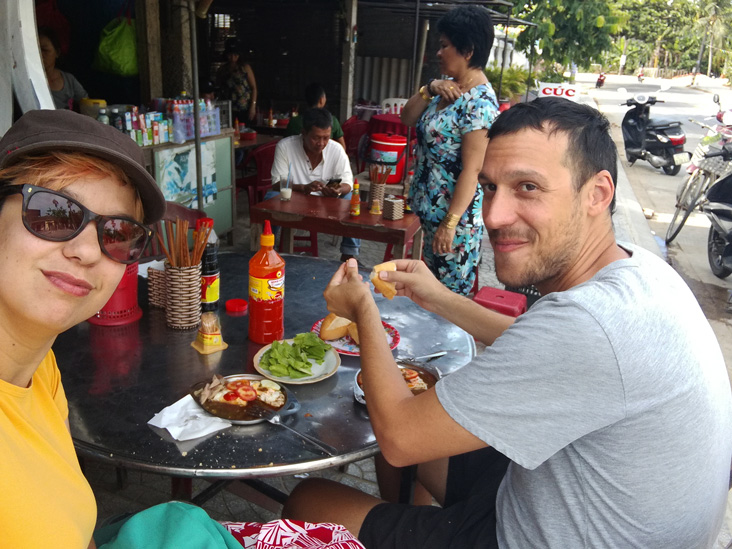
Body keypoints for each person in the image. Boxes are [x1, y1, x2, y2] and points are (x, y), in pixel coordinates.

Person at [281, 97, 732, 548]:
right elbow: (532, 341)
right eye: (490, 187)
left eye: (528, 187)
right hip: (565, 499)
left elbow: (400, 436)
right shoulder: (642, 272)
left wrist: (362, 309)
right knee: (408, 437)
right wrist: (438, 297)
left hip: (531, 536)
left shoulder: (588, 323)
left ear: (597, 193)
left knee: (310, 501)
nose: (493, 216)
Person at [400, 5, 499, 295]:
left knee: (447, 303)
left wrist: (450, 224)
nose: (439, 53)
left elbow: (473, 169)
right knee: (426, 296)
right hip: (429, 215)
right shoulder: (446, 90)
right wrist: (429, 88)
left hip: (454, 225)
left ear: (467, 50)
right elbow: (406, 118)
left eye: (444, 45)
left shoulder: (479, 104)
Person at [271, 107, 360, 262]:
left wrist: (338, 190)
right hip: (295, 198)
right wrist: (303, 188)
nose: (321, 143)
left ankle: (349, 254)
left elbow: (348, 183)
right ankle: (267, 249)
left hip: (327, 201)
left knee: (351, 198)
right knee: (272, 198)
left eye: (326, 137)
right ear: (303, 133)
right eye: (316, 138)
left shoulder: (336, 149)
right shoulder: (285, 146)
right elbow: (276, 184)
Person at [38, 27, 88, 110]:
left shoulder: (69, 80)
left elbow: (87, 104)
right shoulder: (30, 80)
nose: (40, 54)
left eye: (44, 50)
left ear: (57, 53)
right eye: (37, 50)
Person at [286, 82, 346, 149]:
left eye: (325, 137)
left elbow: (287, 145)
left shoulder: (294, 122)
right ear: (321, 100)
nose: (321, 143)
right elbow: (342, 147)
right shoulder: (332, 120)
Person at [216, 41, 258, 126]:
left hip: (244, 107)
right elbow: (219, 87)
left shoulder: (245, 68)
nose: (232, 58)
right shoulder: (222, 70)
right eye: (230, 55)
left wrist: (253, 106)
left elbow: (253, 87)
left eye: (235, 55)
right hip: (228, 107)